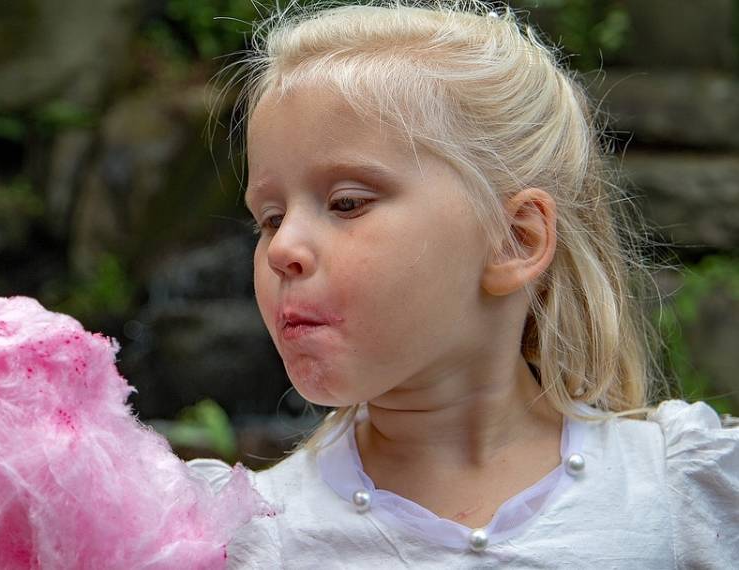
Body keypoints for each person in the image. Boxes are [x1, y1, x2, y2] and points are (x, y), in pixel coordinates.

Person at [188, 1, 739, 567]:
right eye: (270, 218)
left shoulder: (681, 498)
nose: (281, 249)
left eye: (346, 203)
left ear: (514, 241)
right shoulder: (249, 537)